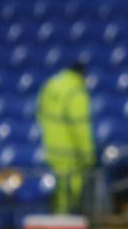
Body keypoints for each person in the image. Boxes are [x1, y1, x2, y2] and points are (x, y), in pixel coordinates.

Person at [36, 61, 95, 214]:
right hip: (71, 154)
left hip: (49, 150)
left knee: (57, 192)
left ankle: (56, 221)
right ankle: (63, 226)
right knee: (70, 194)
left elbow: (39, 113)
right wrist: (88, 156)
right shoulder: (76, 91)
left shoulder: (51, 85)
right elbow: (80, 127)